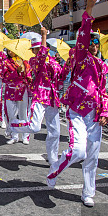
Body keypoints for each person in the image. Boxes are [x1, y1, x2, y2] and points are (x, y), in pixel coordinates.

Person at [47, 0, 108, 207]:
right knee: (78, 150)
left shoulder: (102, 66)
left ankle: (88, 192)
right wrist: (90, 8)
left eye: (96, 43)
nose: (93, 45)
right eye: (90, 42)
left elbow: (103, 91)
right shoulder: (81, 57)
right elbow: (83, 34)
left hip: (95, 115)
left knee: (92, 157)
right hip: (77, 110)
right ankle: (56, 168)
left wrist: (105, 112)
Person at [8, 26, 66, 162]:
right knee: (34, 127)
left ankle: (52, 159)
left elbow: (61, 78)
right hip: (40, 96)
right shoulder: (35, 61)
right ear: (33, 51)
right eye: (37, 49)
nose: (39, 50)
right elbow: (42, 57)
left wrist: (68, 65)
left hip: (52, 99)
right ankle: (14, 125)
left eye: (40, 48)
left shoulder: (54, 62)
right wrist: (44, 36)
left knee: (55, 132)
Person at [0, 47, 32, 145]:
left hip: (22, 90)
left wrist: (25, 73)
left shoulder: (25, 62)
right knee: (11, 114)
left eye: (12, 50)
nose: (10, 52)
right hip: (10, 90)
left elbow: (29, 76)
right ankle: (14, 136)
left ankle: (25, 135)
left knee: (23, 114)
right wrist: (17, 72)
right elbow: (5, 77)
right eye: (8, 50)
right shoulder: (5, 62)